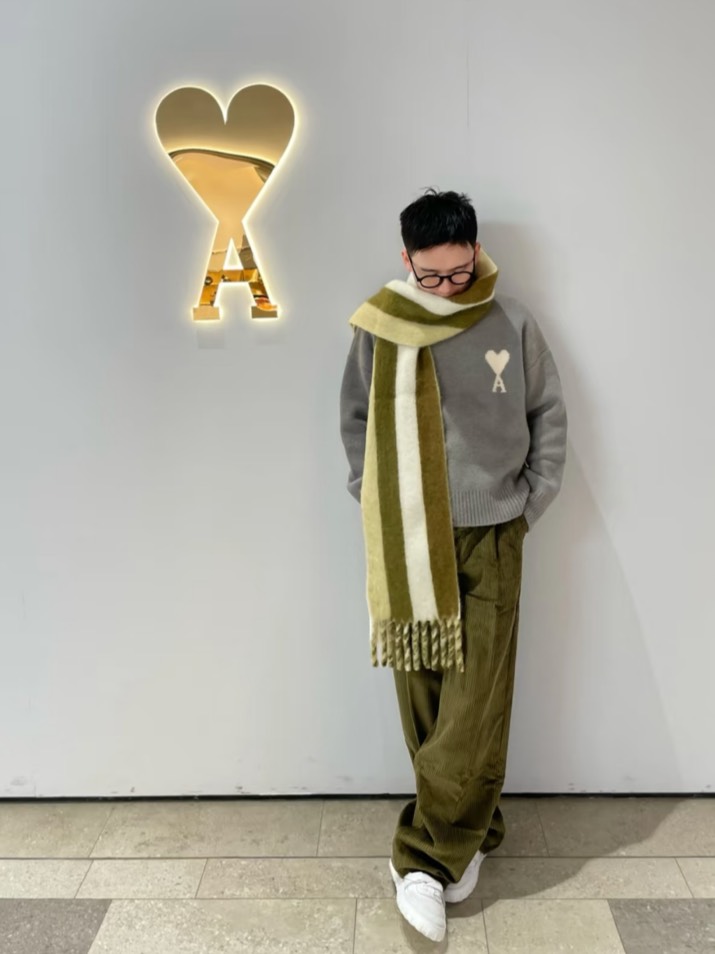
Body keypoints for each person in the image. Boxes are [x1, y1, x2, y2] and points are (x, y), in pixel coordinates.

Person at [339, 188, 567, 942]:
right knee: (426, 698)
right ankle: (472, 827)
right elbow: (356, 420)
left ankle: (425, 859)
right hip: (406, 533)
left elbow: (546, 413)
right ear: (405, 259)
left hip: (492, 534)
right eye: (430, 275)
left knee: (476, 702)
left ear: (475, 252)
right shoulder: (381, 324)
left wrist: (528, 505)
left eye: (459, 272)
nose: (445, 288)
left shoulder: (512, 321)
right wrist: (371, 494)